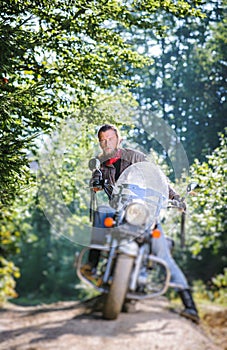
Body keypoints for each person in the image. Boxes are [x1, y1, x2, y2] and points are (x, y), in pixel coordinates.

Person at [81, 123, 199, 323]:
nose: (106, 143)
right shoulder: (101, 163)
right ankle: (92, 264)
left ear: (119, 140)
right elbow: (96, 181)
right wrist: (95, 184)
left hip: (144, 212)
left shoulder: (136, 157)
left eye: (110, 138)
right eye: (103, 140)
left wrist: (176, 197)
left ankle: (190, 307)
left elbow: (157, 178)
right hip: (121, 212)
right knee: (102, 212)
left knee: (163, 253)